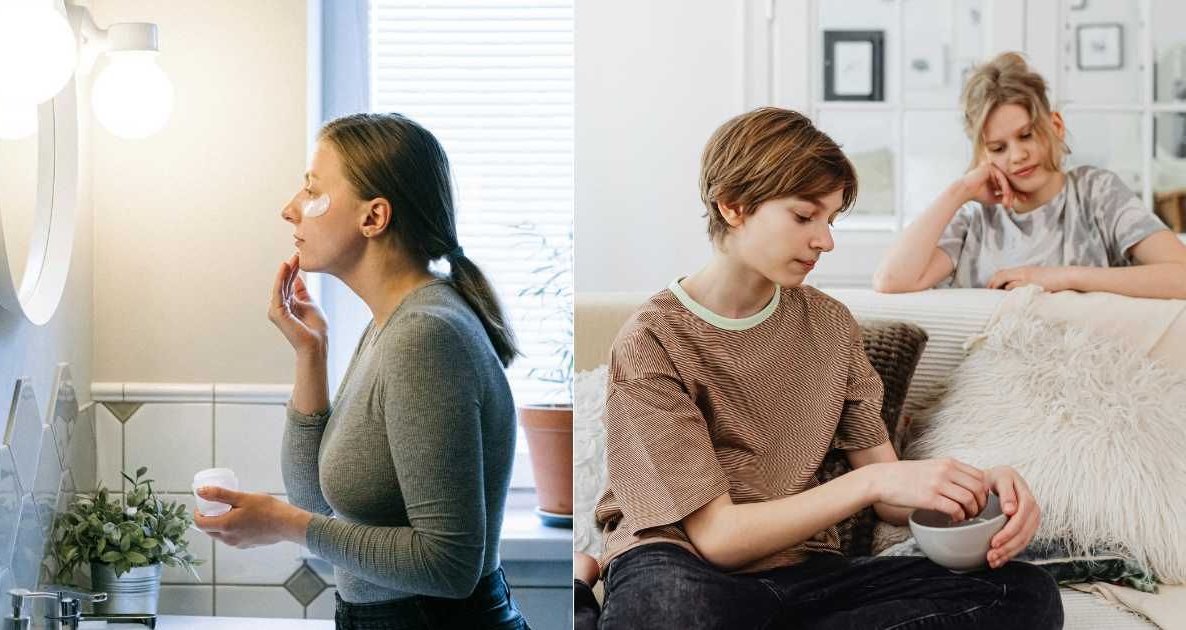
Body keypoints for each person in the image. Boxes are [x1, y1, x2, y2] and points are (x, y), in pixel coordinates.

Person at [573, 107, 1064, 629]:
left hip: (807, 575)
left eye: (831, 220)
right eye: (805, 216)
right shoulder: (653, 340)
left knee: (1024, 594)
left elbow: (891, 492)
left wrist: (977, 488)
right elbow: (718, 539)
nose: (825, 241)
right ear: (734, 206)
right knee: (672, 614)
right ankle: (581, 591)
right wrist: (871, 485)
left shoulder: (829, 325)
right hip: (684, 566)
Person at [193, 112, 530, 629]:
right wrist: (312, 352)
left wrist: (283, 524)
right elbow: (319, 502)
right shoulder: (391, 323)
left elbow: (450, 563)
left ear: (373, 218)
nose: (290, 210)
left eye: (311, 191)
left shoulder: (425, 335)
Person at [874, 52, 1186, 297]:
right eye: (998, 148)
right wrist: (960, 191)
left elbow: (1181, 276)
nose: (1017, 155)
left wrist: (1061, 278)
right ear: (983, 154)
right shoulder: (974, 219)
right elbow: (891, 280)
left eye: (1026, 135)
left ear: (1056, 126)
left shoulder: (1096, 193)